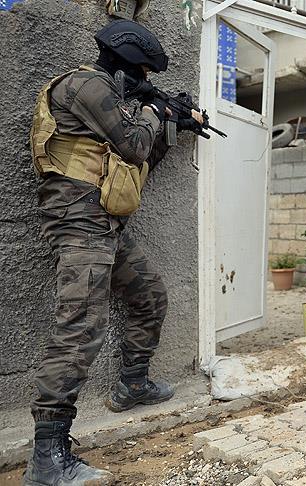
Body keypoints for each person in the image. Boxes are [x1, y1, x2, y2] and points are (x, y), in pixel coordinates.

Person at [25, 19, 202, 485]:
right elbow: (134, 144)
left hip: (104, 225)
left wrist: (174, 121)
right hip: (80, 224)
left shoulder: (108, 100)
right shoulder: (85, 85)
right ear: (125, 64)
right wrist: (155, 110)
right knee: (80, 328)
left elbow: (135, 163)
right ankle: (47, 458)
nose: (145, 82)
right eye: (143, 73)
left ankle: (133, 383)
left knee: (149, 296)